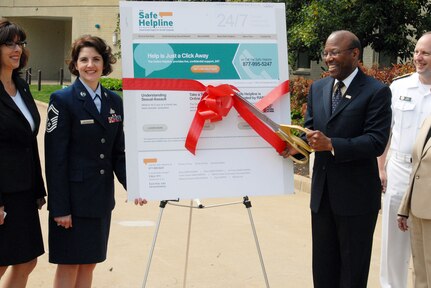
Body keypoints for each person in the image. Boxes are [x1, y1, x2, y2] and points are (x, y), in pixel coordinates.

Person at [44, 35, 146, 288]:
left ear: (105, 63)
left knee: (90, 262)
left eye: (96, 59)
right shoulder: (62, 100)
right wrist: (60, 208)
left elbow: (117, 153)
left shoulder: (114, 102)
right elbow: (55, 158)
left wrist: (134, 185)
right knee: (69, 263)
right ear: (75, 64)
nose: (90, 65)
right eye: (84, 59)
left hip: (99, 199)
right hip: (72, 202)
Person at [301, 30, 392, 287]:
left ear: (354, 54)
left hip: (356, 199)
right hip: (322, 196)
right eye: (326, 52)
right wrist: (294, 146)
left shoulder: (376, 92)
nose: (328, 58)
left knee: (351, 274)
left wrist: (332, 144)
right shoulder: (318, 88)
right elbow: (310, 131)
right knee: (323, 269)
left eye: (334, 52)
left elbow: (375, 141)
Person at [379, 32, 431, 288]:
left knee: (427, 244)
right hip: (398, 169)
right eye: (417, 52)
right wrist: (381, 168)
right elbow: (385, 131)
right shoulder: (398, 86)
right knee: (393, 242)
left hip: (430, 176)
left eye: (426, 53)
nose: (418, 58)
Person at [0, 19, 46, 287]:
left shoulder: (23, 86)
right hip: (4, 192)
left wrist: (37, 188)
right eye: (8, 43)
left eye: (20, 43)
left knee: (27, 261)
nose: (16, 49)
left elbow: (29, 142)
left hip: (24, 191)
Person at [398, 115, 431, 288]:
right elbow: (417, 166)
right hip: (418, 209)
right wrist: (405, 207)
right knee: (420, 273)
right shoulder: (428, 120)